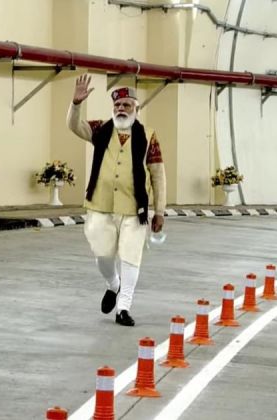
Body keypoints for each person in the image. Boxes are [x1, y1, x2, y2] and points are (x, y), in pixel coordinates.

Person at [66, 74, 167, 327]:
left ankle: (123, 308)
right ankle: (113, 284)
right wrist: (76, 104)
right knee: (103, 256)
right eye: (117, 106)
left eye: (126, 106)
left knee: (131, 257)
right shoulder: (101, 130)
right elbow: (74, 126)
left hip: (136, 210)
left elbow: (158, 175)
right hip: (100, 207)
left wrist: (160, 211)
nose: (121, 109)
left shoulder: (149, 136)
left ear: (136, 108)